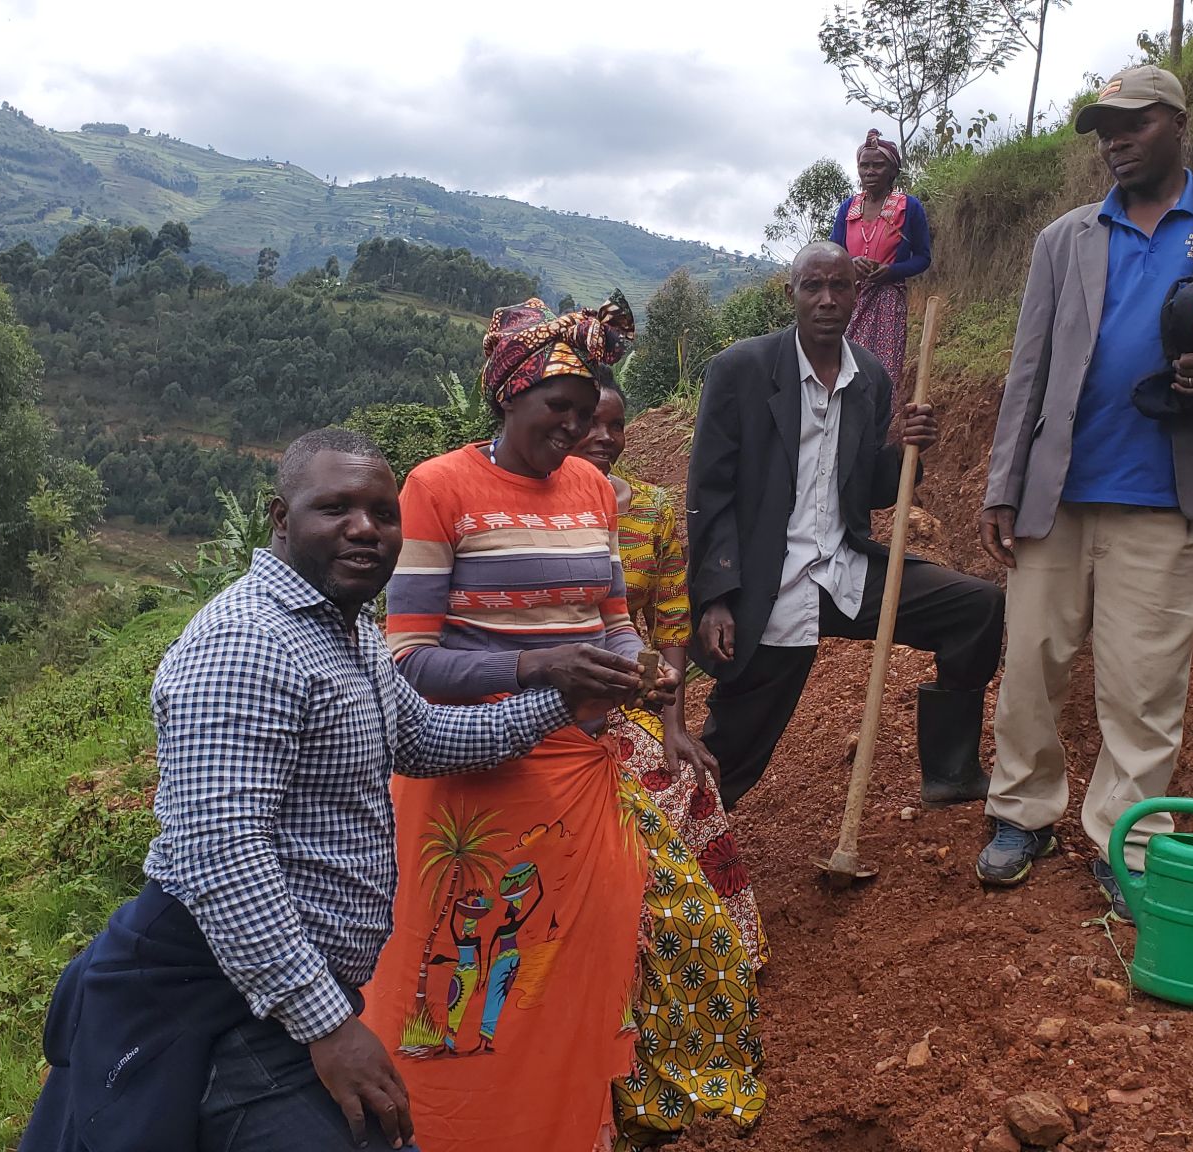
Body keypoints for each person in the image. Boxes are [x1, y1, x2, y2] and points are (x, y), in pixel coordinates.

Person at [20, 428, 601, 1152]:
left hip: (275, 991)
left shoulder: (346, 634)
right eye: (335, 508)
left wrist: (564, 697)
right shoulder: (248, 642)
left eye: (383, 513)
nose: (365, 529)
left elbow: (422, 738)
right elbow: (221, 852)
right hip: (223, 990)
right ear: (280, 517)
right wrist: (328, 1026)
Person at [363, 300, 764, 1152]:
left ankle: (596, 1115)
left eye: (586, 413)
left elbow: (612, 616)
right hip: (474, 778)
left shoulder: (589, 491)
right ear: (508, 396)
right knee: (478, 984)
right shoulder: (437, 488)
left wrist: (637, 667)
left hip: (583, 761)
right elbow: (411, 660)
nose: (577, 429)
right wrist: (540, 667)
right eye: (560, 409)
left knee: (664, 934)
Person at [974, 65, 1193, 913]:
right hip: (1057, 494)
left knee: (1143, 686)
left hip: (1167, 495)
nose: (1115, 142)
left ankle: (1127, 841)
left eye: (1133, 124)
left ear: (1177, 122)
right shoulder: (1065, 239)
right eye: (1103, 130)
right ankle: (1021, 813)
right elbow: (1028, 368)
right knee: (1031, 667)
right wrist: (1001, 485)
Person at [688, 241, 1003, 812]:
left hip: (844, 569)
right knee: (735, 748)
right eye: (813, 286)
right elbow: (709, 492)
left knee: (975, 608)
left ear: (858, 295)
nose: (827, 299)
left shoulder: (870, 379)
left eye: (839, 286)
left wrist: (907, 451)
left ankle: (951, 771)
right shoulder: (741, 370)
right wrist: (716, 596)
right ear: (792, 294)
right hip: (772, 584)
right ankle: (683, 832)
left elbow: (870, 491)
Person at [572, 370, 769, 966]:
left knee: (685, 780)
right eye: (590, 423)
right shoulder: (532, 512)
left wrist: (674, 726)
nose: (604, 437)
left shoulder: (652, 511)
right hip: (548, 702)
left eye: (616, 425)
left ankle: (712, 952)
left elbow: (672, 623)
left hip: (624, 698)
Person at [830, 129, 932, 404]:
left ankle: (879, 426)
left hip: (887, 302)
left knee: (882, 370)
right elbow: (831, 254)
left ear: (893, 170)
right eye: (864, 165)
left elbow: (923, 257)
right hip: (849, 300)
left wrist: (891, 271)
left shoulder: (908, 207)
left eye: (878, 165)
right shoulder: (848, 209)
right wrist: (850, 264)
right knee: (842, 367)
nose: (870, 171)